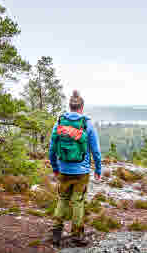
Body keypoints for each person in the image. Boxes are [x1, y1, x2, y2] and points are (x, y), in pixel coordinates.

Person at [49, 90, 102, 247]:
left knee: (63, 199)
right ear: (81, 107)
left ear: (70, 106)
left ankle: (56, 234)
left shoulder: (59, 122)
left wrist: (55, 167)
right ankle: (77, 236)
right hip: (81, 172)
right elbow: (96, 151)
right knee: (78, 202)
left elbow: (52, 148)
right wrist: (98, 169)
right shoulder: (87, 124)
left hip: (63, 169)